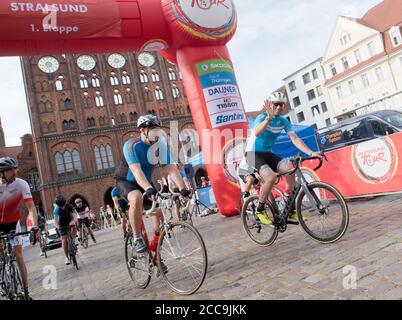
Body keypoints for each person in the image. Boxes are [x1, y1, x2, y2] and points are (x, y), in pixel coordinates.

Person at [114, 114, 191, 255]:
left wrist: (183, 189)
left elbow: (171, 169)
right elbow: (136, 171)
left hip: (146, 182)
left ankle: (156, 252)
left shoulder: (159, 146)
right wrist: (148, 188)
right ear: (143, 130)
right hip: (127, 181)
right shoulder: (131, 145)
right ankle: (137, 238)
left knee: (158, 214)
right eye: (153, 129)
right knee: (137, 197)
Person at [244, 91, 322, 225]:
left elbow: (295, 138)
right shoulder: (262, 117)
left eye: (282, 104)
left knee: (290, 171)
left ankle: (289, 207)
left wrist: (310, 153)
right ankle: (260, 210)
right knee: (270, 177)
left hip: (267, 153)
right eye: (276, 104)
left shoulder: (283, 121)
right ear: (271, 105)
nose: (279, 107)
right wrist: (268, 118)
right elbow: (256, 132)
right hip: (252, 154)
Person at [0, 157, 39, 300]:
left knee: (19, 256)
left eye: (15, 169)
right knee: (1, 255)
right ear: (2, 173)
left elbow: (31, 208)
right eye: (11, 170)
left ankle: (26, 291)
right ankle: (3, 272)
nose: (15, 172)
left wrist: (35, 227)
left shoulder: (21, 184)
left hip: (13, 222)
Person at [53, 194, 78, 265]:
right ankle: (66, 258)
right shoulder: (56, 209)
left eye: (63, 204)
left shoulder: (69, 206)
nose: (63, 206)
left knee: (74, 226)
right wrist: (58, 226)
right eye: (61, 205)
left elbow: (74, 214)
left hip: (69, 220)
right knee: (63, 239)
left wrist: (74, 221)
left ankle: (73, 240)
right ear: (58, 205)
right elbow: (55, 221)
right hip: (61, 224)